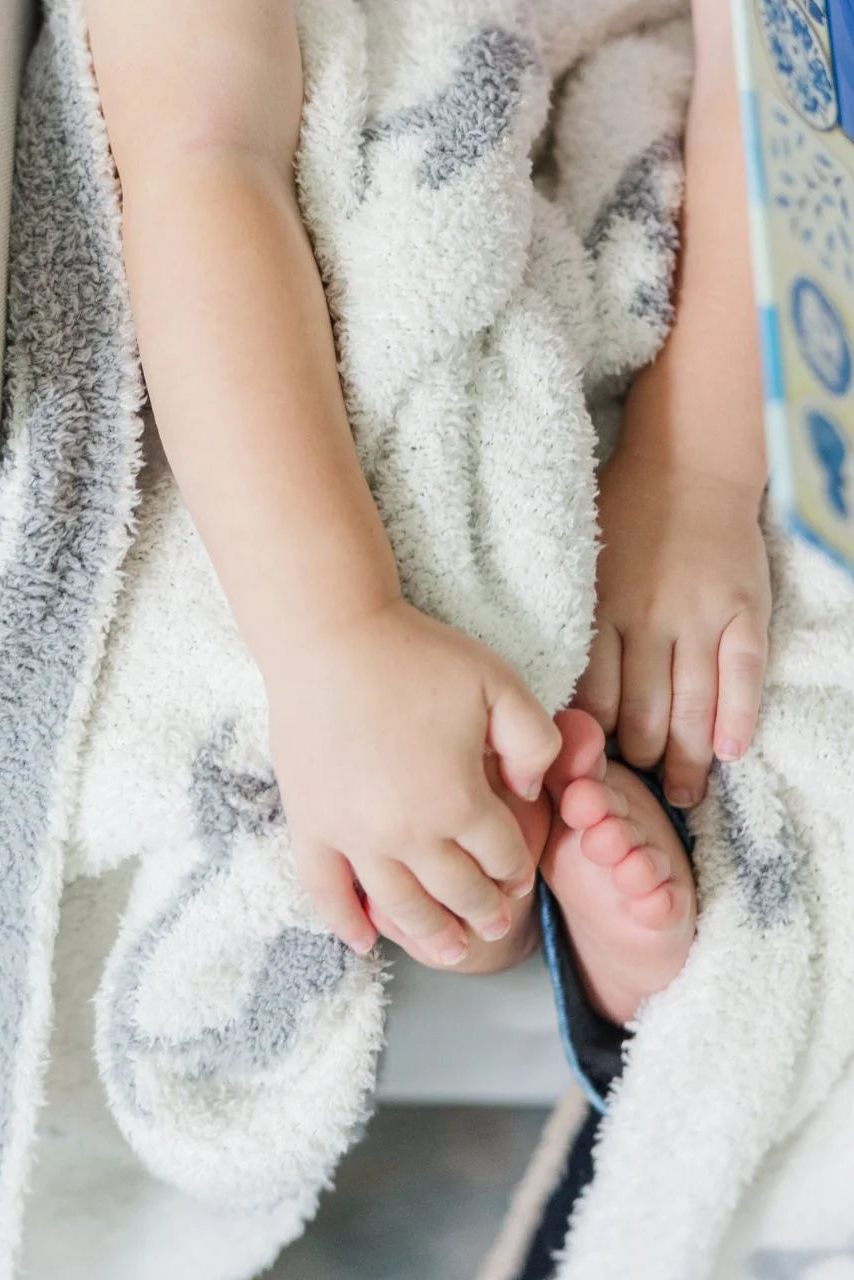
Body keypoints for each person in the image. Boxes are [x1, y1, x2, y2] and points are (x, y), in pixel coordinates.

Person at [83, 0, 770, 1027]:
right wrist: (335, 630)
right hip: (299, 308)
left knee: (739, 637)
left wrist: (694, 471)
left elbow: (783, 84)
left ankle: (625, 860)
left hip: (647, 190)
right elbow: (199, 158)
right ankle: (491, 862)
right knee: (365, 517)